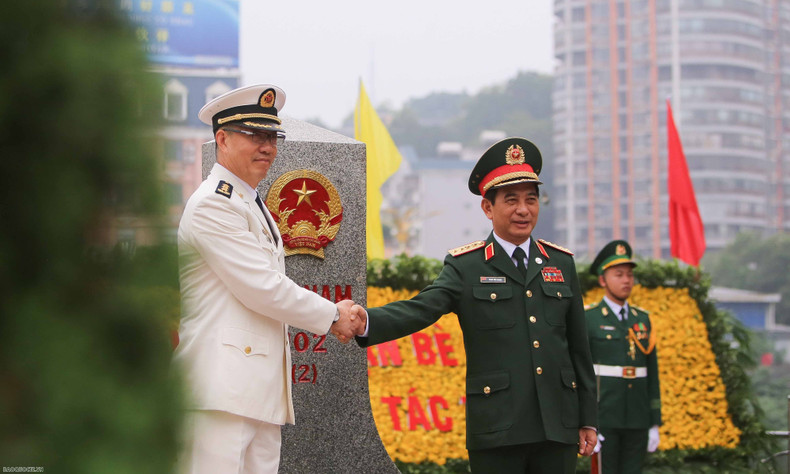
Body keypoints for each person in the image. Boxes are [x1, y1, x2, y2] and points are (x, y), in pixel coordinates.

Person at [355, 137, 598, 473]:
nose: (523, 210)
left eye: (531, 199)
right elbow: (423, 308)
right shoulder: (467, 266)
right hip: (498, 426)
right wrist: (366, 320)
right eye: (511, 200)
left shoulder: (561, 263)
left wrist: (588, 418)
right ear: (488, 208)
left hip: (557, 426)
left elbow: (579, 350)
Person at [173, 84, 364, 474]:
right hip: (219, 393)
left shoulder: (249, 200)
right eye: (254, 135)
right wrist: (333, 315)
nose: (267, 147)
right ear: (222, 138)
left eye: (271, 136)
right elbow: (262, 288)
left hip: (252, 393)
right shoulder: (214, 203)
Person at [585, 240, 661, 473]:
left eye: (629, 275)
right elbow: (582, 373)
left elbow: (651, 372)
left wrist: (654, 422)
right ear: (602, 280)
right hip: (604, 416)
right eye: (619, 274)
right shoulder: (589, 318)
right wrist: (587, 423)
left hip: (637, 417)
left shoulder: (642, 319)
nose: (627, 280)